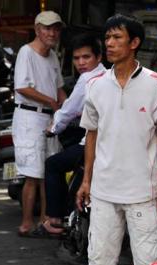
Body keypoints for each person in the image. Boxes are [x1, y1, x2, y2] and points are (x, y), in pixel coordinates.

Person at [77, 14, 157, 265]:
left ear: (134, 43)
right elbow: (92, 135)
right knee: (102, 258)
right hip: (103, 189)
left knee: (148, 264)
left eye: (117, 38)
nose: (109, 43)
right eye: (107, 38)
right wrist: (86, 180)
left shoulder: (156, 84)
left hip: (141, 191)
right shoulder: (95, 85)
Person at [40, 34, 106, 236]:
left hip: (92, 143)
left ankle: (55, 218)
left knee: (52, 164)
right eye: (77, 59)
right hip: (108, 145)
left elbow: (68, 110)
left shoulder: (87, 79)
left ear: (98, 57)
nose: (81, 63)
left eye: (86, 57)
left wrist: (53, 128)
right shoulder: (108, 75)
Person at [13, 11, 66, 238]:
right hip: (29, 117)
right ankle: (26, 223)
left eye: (55, 28)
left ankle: (46, 220)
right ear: (37, 29)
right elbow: (22, 87)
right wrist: (52, 102)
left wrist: (70, 107)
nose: (52, 33)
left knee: (50, 171)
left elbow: (59, 89)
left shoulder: (53, 56)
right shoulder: (26, 52)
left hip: (49, 118)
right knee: (33, 175)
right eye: (47, 28)